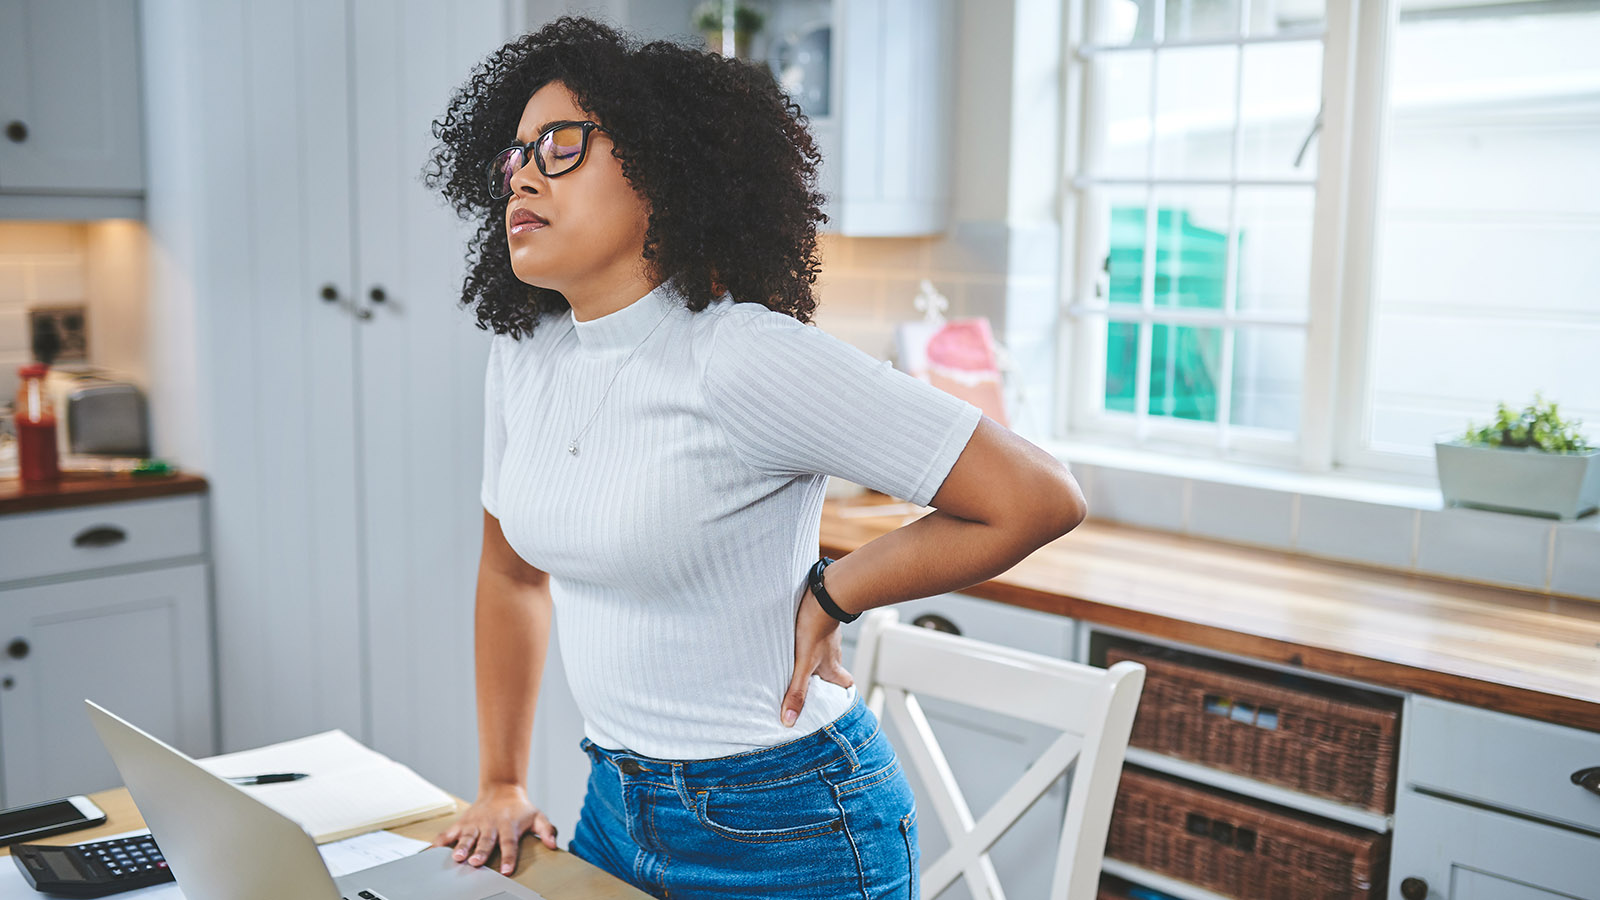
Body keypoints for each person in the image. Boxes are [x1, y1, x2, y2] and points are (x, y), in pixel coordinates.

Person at [421, 16, 1085, 900]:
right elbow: (510, 576)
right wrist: (501, 780)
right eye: (514, 155)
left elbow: (1037, 496)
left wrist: (838, 588)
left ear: (663, 168)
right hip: (617, 810)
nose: (526, 173)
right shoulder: (526, 353)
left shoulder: (742, 356)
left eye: (563, 143)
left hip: (789, 830)